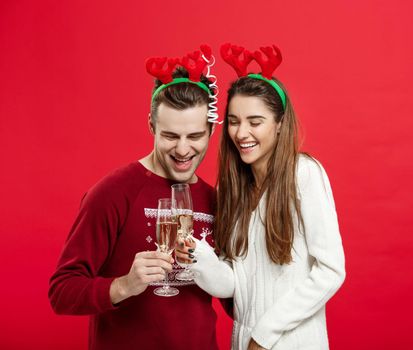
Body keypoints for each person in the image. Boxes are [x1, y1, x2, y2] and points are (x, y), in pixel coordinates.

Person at [49, 45, 222, 349]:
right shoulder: (112, 192)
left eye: (194, 136)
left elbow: (235, 296)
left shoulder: (217, 201)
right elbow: (62, 292)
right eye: (170, 136)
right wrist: (124, 285)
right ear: (151, 126)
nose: (183, 150)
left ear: (210, 131)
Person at [177, 44, 346, 350]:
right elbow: (233, 286)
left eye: (255, 122)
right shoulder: (237, 190)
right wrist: (197, 256)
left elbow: (331, 271)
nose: (242, 133)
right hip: (244, 342)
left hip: (290, 342)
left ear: (279, 125)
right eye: (233, 121)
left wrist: (264, 334)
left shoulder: (303, 174)